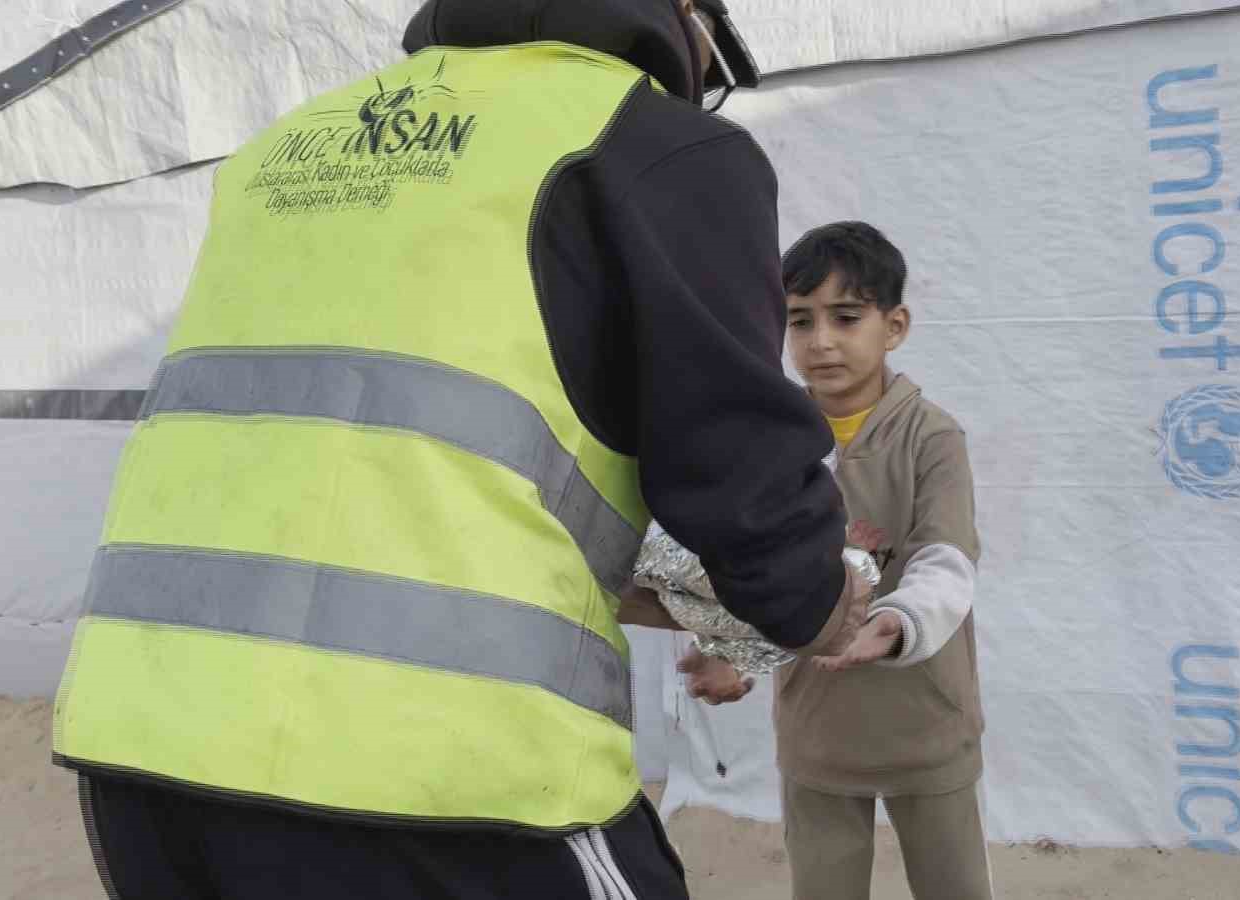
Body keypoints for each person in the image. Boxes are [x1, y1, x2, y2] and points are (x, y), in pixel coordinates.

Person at [50, 3, 874, 898]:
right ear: (682, 15)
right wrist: (817, 601)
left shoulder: (283, 148)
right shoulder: (652, 143)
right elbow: (737, 476)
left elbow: (361, 471)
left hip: (142, 751)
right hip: (444, 773)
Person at [689, 222, 993, 900]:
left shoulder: (933, 438)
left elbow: (947, 561)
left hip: (928, 725)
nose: (821, 341)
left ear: (895, 325)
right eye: (800, 321)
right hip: (816, 732)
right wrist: (733, 652)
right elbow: (751, 570)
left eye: (846, 317)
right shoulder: (770, 444)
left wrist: (894, 625)